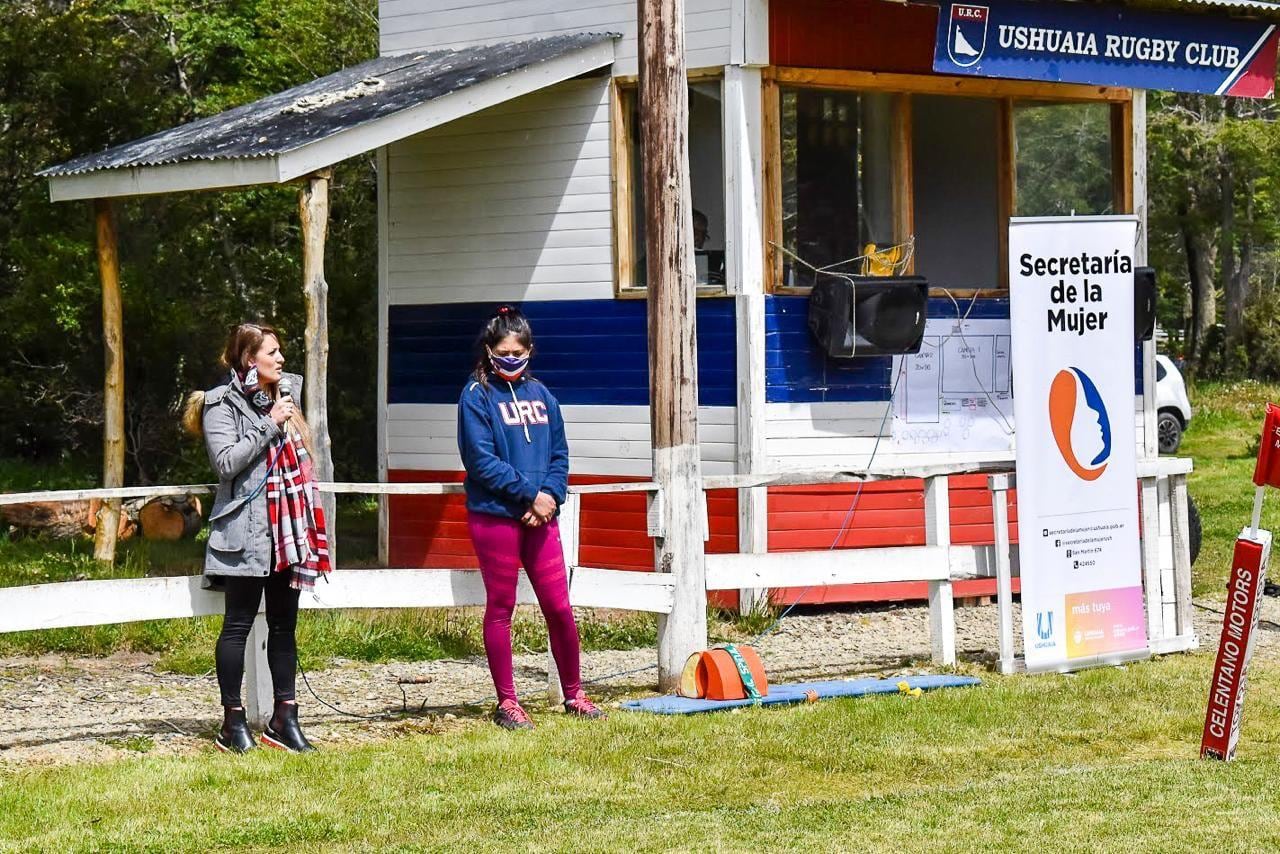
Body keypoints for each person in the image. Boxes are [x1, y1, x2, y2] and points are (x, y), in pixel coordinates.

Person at [183, 323, 330, 754]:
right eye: (273, 351)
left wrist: (279, 415)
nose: (282, 359)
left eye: (281, 351)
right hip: (245, 533)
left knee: (284, 627)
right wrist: (268, 424)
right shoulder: (220, 404)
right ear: (250, 359)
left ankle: (285, 718)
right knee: (237, 627)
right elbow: (226, 463)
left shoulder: (284, 396)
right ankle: (233, 723)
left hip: (288, 531)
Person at [457, 305, 606, 729]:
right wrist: (529, 496)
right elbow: (480, 461)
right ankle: (507, 702)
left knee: (559, 607)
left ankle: (574, 693)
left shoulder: (543, 396)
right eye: (501, 352)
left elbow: (560, 454)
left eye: (517, 352)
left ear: (529, 351)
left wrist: (550, 498)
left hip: (542, 517)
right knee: (501, 607)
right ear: (488, 351)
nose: (509, 359)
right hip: (495, 517)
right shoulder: (475, 396)